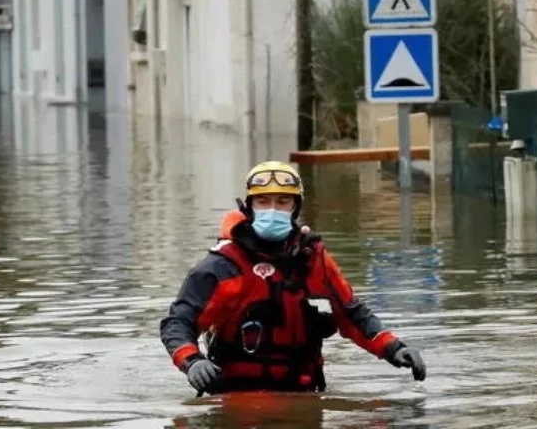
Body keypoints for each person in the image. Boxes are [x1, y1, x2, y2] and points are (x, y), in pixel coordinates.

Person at [159, 161, 426, 395]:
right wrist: (192, 361)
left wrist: (393, 348)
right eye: (263, 202)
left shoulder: (313, 259)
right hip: (237, 397)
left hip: (303, 393)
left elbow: (352, 314)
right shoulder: (222, 265)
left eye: (282, 201)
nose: (272, 209)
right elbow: (178, 322)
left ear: (295, 207)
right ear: (249, 207)